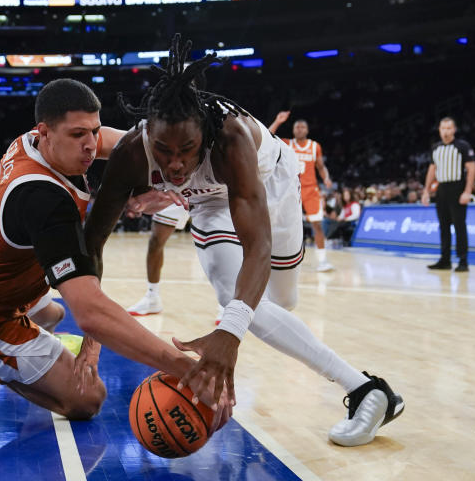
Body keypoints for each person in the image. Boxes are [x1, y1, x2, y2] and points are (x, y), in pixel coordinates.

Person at [84, 35, 403, 447]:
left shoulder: (231, 140)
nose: (175, 163)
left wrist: (229, 336)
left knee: (273, 305)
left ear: (205, 135)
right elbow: (93, 243)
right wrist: (92, 333)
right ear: (149, 140)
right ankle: (367, 391)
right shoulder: (131, 151)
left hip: (272, 185)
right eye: (163, 151)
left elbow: (259, 249)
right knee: (237, 300)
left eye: (186, 150)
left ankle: (266, 327)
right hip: (209, 205)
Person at [0, 79, 235, 426]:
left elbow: (133, 145)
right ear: (45, 132)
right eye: (79, 135)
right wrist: (186, 367)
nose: (91, 145)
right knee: (87, 399)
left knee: (52, 317)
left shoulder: (34, 143)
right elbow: (90, 313)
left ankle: (16, 342)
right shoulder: (43, 199)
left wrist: (160, 181)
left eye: (93, 130)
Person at [268, 111, 335, 271]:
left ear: (307, 130)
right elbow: (267, 137)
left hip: (310, 190)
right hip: (289, 189)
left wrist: (326, 178)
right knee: (280, 225)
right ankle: (276, 258)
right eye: (296, 127)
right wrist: (278, 121)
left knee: (317, 225)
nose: (299, 129)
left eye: (302, 127)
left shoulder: (314, 146)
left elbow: (321, 166)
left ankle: (322, 261)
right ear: (293, 130)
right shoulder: (287, 144)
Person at [421, 117, 475, 272]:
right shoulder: (435, 147)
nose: (445, 131)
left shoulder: (462, 146)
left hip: (457, 187)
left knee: (459, 225)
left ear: (454, 130)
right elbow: (432, 170)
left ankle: (463, 261)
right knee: (443, 226)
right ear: (439, 130)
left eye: (448, 128)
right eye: (443, 128)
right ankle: (445, 259)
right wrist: (426, 190)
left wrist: (467, 191)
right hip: (442, 189)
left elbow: (471, 168)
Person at [124, 201, 190, 316]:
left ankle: (226, 305)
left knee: (216, 244)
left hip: (212, 188)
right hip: (176, 188)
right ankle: (152, 297)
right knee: (156, 241)